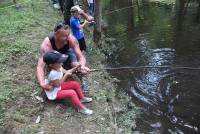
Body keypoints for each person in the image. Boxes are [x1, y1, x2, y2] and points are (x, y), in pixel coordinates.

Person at [36, 22, 90, 93]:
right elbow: (40, 66)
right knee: (52, 68)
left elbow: (81, 57)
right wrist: (42, 83)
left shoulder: (72, 40)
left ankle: (83, 81)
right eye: (64, 36)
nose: (67, 38)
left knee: (76, 65)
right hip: (54, 54)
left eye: (68, 35)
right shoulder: (47, 44)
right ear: (55, 34)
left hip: (67, 51)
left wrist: (82, 66)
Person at [43, 51, 93, 115]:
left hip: (58, 86)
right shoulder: (53, 74)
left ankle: (82, 98)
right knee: (72, 93)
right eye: (59, 62)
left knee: (75, 84)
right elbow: (58, 85)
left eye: (61, 61)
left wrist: (75, 68)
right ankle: (81, 109)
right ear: (51, 65)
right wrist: (66, 75)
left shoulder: (59, 67)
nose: (61, 63)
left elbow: (67, 71)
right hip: (54, 92)